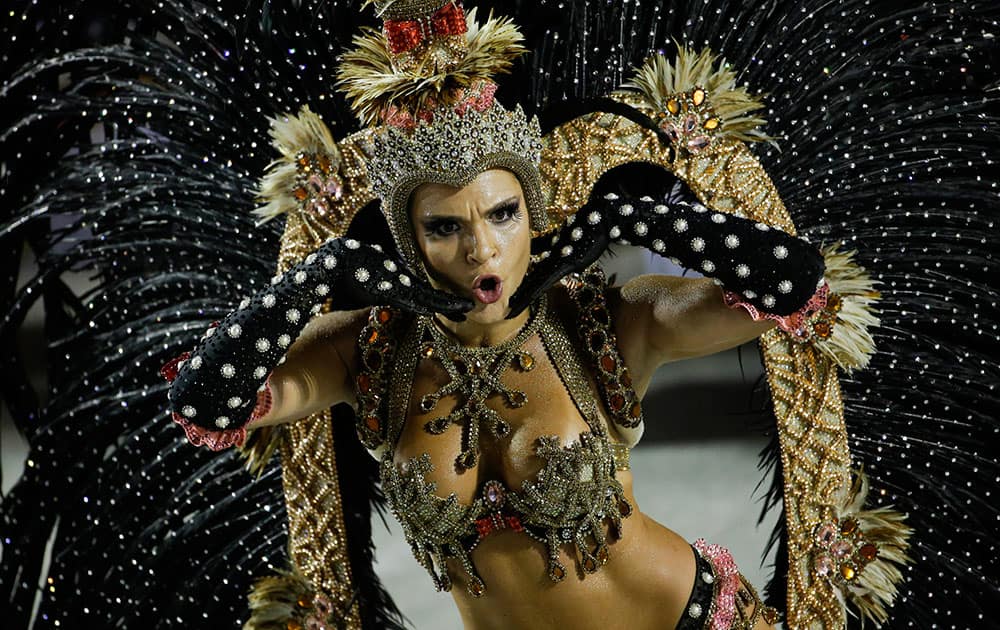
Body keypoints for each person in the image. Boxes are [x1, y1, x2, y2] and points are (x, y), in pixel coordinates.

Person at [2, 1, 996, 629]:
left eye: (504, 215)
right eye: (445, 226)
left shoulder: (609, 323)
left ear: (534, 213)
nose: (482, 250)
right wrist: (323, 274)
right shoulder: (367, 357)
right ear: (404, 237)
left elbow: (788, 287)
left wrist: (618, 214)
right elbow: (214, 404)